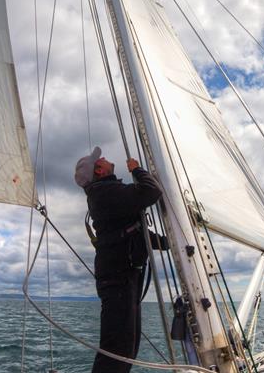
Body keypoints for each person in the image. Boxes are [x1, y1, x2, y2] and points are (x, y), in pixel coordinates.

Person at [74, 147, 163, 373]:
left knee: (128, 346)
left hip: (123, 276)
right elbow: (151, 191)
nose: (103, 158)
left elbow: (131, 230)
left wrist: (167, 242)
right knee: (118, 348)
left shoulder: (108, 192)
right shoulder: (106, 193)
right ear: (100, 171)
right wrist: (137, 170)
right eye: (99, 160)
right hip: (119, 279)